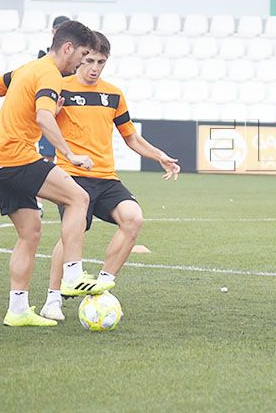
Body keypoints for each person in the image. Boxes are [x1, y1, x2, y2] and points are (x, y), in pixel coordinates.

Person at [0, 20, 114, 327]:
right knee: (79, 198)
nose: (83, 62)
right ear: (67, 48)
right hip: (15, 158)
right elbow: (45, 116)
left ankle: (17, 310)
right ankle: (72, 274)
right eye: (82, 55)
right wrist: (69, 154)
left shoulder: (26, 69)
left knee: (30, 233)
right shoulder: (50, 75)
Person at [40, 32, 180, 321]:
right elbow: (41, 122)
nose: (94, 67)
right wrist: (53, 113)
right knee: (72, 235)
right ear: (79, 56)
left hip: (106, 177)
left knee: (133, 218)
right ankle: (53, 298)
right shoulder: (59, 86)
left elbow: (131, 137)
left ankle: (101, 283)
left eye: (101, 62)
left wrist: (160, 156)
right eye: (89, 60)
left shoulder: (113, 93)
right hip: (72, 176)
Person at [37, 15, 70, 164]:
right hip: (49, 107)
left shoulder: (76, 56)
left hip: (69, 108)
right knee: (47, 158)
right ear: (53, 31)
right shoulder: (43, 55)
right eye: (59, 28)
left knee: (70, 158)